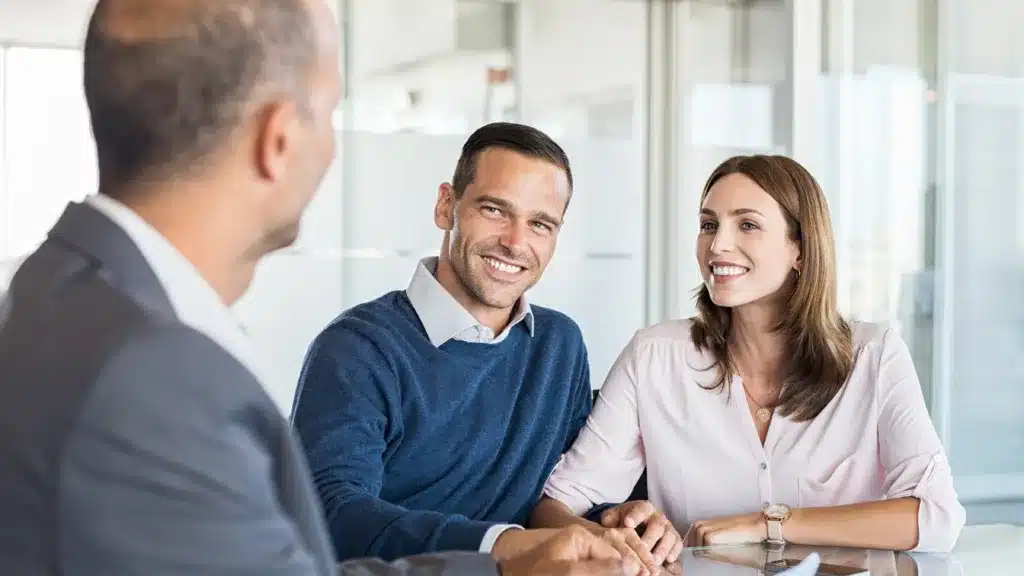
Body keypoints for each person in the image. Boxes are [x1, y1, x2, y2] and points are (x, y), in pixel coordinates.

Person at [0, 1, 634, 575]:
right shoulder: (157, 370)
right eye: (330, 111)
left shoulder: (66, 304)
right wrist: (501, 558)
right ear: (278, 138)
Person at [532, 154, 966, 557]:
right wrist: (615, 537)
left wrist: (768, 524)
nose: (718, 244)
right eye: (708, 224)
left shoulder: (874, 355)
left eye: (747, 225)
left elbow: (936, 517)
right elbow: (552, 507)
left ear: (799, 248)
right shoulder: (654, 357)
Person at [292, 121, 667, 569]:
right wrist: (505, 547)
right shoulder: (357, 349)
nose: (514, 242)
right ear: (446, 205)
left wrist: (612, 519)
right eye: (494, 210)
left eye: (540, 224)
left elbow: (560, 492)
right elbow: (331, 515)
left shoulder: (558, 346)